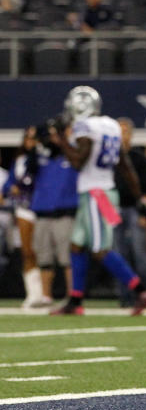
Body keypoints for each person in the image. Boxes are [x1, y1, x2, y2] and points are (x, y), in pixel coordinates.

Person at [49, 86, 146, 316]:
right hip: (103, 193)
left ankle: (141, 291)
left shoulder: (84, 126)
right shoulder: (111, 125)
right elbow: (124, 165)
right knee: (77, 245)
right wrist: (138, 199)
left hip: (96, 194)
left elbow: (78, 161)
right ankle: (75, 300)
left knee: (100, 249)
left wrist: (61, 139)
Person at [29, 130, 78, 305]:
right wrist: (37, 144)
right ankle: (46, 296)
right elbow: (29, 169)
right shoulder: (41, 156)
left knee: (67, 257)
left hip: (64, 212)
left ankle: (73, 296)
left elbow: (79, 161)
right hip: (42, 212)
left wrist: (63, 141)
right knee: (44, 256)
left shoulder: (72, 154)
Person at [113, 118, 146, 307]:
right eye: (118, 132)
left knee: (140, 254)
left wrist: (145, 214)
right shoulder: (108, 157)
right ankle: (125, 297)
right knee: (118, 255)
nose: (121, 136)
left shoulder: (139, 158)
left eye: (124, 132)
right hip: (113, 210)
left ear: (131, 134)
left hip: (135, 209)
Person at [1, 127, 39, 307]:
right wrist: (12, 189)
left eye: (34, 139)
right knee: (27, 252)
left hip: (43, 209)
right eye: (28, 139)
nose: (31, 142)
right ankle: (33, 294)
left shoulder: (45, 159)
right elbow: (8, 185)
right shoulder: (19, 161)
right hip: (24, 208)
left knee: (44, 253)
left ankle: (45, 293)